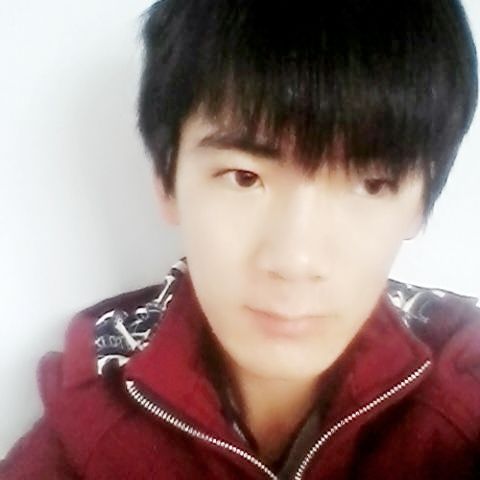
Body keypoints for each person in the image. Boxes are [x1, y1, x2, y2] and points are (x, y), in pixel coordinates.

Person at [1, 0, 479, 478]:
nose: (294, 260)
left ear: (420, 205)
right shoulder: (86, 430)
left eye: (371, 184)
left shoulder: (463, 395)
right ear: (167, 181)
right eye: (244, 177)